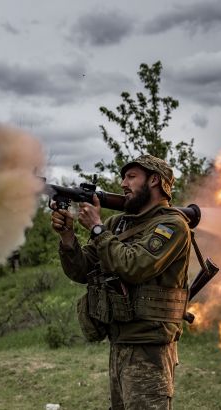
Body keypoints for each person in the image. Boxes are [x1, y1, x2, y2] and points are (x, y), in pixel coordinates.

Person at [51, 155, 191, 409]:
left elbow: (135, 266)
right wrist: (68, 237)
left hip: (150, 347)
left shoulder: (172, 225)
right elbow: (83, 271)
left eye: (131, 177)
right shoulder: (118, 224)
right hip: (120, 342)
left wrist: (96, 228)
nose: (123, 183)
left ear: (154, 180)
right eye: (124, 177)